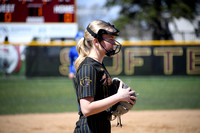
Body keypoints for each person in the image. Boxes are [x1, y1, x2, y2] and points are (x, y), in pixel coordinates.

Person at [73, 20, 136, 133]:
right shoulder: (88, 67)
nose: (114, 42)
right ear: (96, 41)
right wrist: (118, 97)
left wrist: (116, 100)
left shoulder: (98, 65)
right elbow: (87, 109)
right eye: (110, 39)